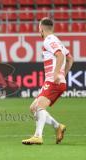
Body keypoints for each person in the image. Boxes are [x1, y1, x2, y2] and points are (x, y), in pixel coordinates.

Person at [22, 17, 74, 145]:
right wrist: (63, 74)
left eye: (38, 28)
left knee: (39, 107)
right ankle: (58, 127)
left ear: (41, 29)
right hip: (55, 81)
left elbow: (60, 55)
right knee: (33, 107)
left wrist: (57, 74)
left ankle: (38, 136)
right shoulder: (57, 40)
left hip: (53, 81)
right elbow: (70, 58)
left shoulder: (48, 40)